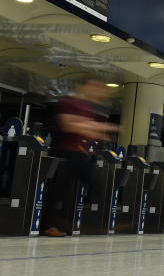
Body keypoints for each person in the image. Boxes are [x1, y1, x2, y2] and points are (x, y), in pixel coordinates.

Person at [39, 79, 117, 237]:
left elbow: (86, 128)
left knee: (84, 187)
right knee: (60, 191)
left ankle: (90, 222)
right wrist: (92, 128)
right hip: (65, 153)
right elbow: (68, 125)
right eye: (96, 87)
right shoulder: (69, 103)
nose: (99, 92)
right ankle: (50, 225)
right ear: (85, 87)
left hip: (79, 153)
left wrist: (97, 129)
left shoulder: (87, 107)